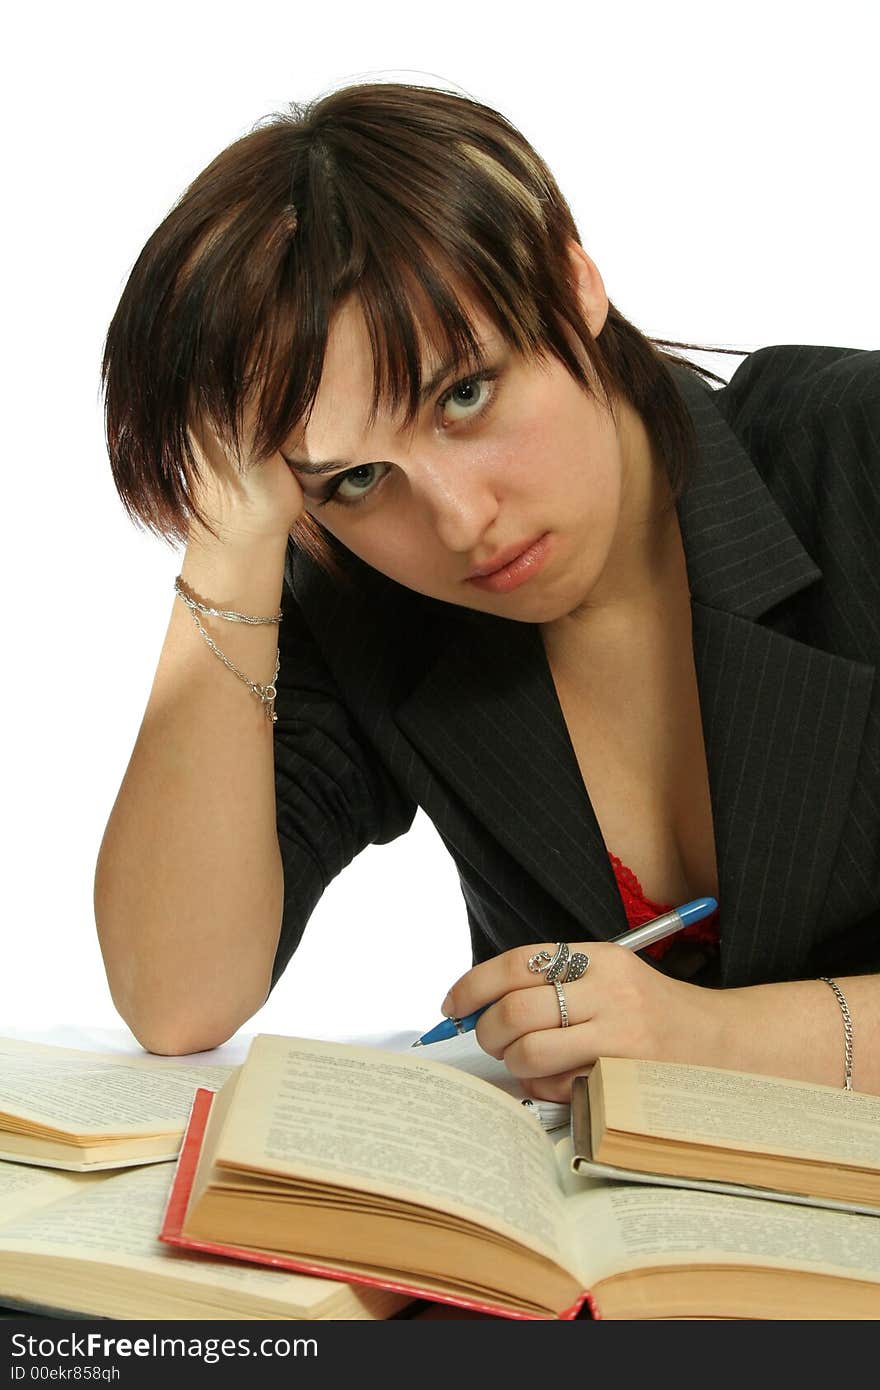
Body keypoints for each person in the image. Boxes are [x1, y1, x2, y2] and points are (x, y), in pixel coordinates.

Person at [93, 81, 879, 1099]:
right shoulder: (369, 605)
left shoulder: (855, 457)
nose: (458, 522)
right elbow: (175, 995)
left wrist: (718, 1039)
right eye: (357, 477)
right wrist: (229, 538)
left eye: (464, 395)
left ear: (573, 284)